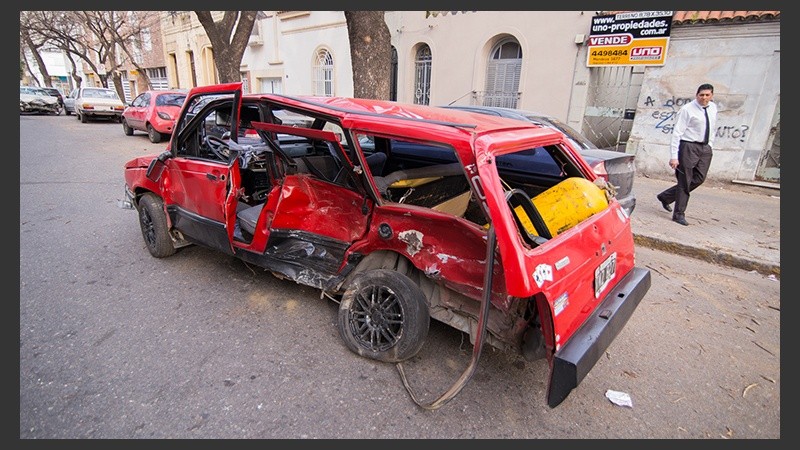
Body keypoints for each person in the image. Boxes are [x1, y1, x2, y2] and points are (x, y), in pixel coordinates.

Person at [656, 83, 717, 226]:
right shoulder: (687, 109)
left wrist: (710, 145)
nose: (704, 98)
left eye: (707, 95)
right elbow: (677, 133)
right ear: (696, 95)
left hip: (705, 147)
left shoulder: (713, 108)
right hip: (688, 146)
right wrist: (674, 156)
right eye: (701, 95)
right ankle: (679, 214)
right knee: (685, 181)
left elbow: (713, 128)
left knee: (699, 178)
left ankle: (666, 196)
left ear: (711, 96)